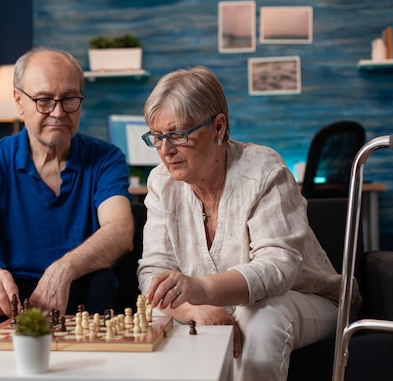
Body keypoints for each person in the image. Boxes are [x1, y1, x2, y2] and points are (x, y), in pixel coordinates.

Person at [136, 66, 360, 381]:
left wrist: (202, 289)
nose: (165, 150)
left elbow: (277, 266)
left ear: (218, 127)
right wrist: (195, 310)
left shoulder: (263, 170)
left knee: (261, 317)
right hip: (211, 303)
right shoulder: (161, 181)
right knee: (159, 314)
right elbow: (152, 273)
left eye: (177, 134)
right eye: (156, 137)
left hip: (309, 299)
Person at [0, 48, 134, 332]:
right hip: (6, 292)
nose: (58, 113)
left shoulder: (106, 158)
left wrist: (63, 269)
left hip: (76, 288)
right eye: (43, 100)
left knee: (101, 280)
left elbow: (120, 230)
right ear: (19, 101)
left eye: (69, 99)